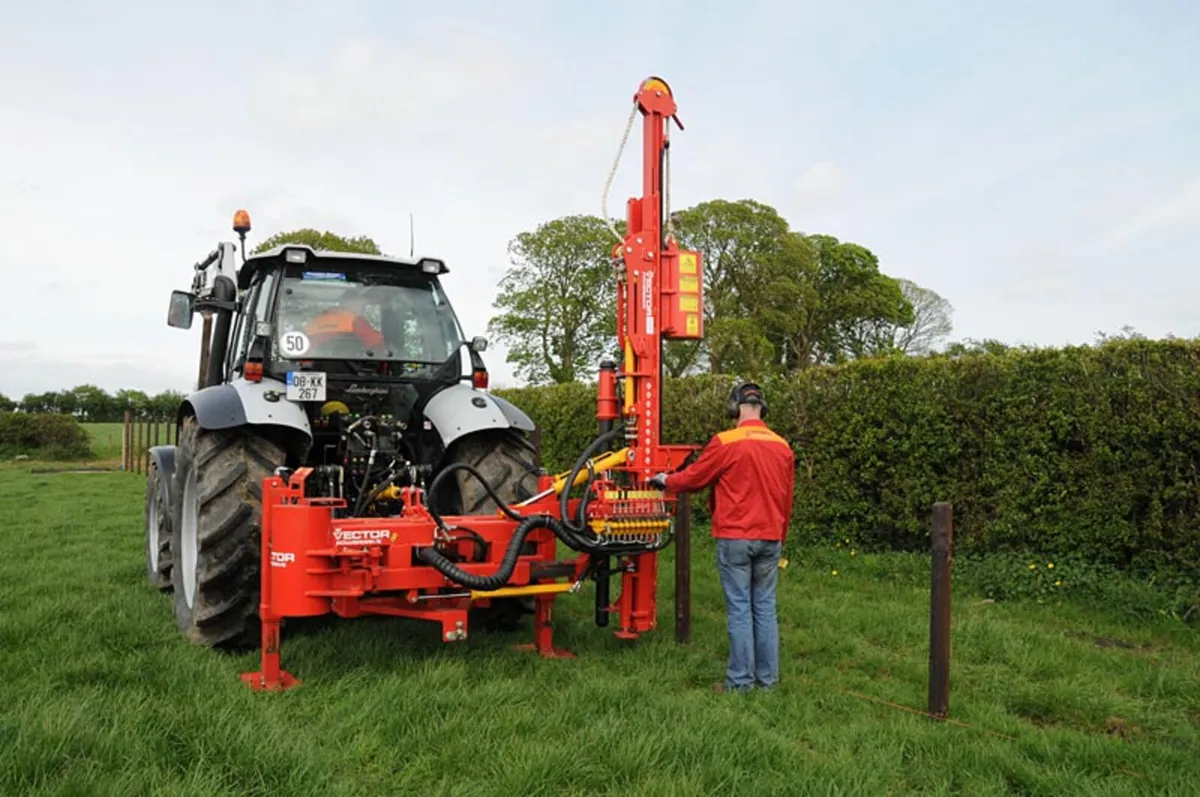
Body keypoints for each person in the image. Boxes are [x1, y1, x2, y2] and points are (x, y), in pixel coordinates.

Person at [649, 381, 795, 693]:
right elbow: (787, 499)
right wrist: (780, 536)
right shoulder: (782, 445)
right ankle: (767, 682)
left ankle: (740, 682)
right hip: (771, 537)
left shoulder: (726, 441)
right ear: (763, 408)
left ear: (734, 408)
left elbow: (695, 477)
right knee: (766, 607)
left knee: (740, 607)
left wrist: (665, 481)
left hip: (735, 538)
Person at [305, 287, 386, 351]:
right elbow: (378, 345)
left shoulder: (314, 322)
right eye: (362, 306)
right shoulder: (355, 321)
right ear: (352, 304)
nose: (363, 310)